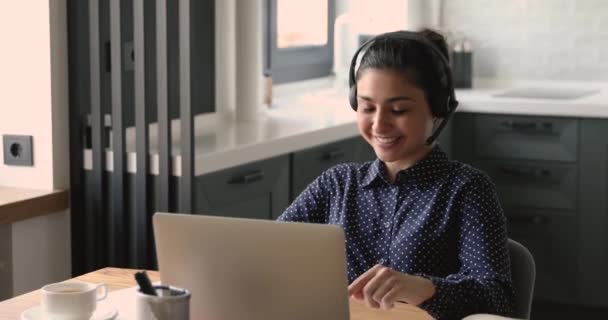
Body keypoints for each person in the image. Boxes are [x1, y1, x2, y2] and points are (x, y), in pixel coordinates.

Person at [277, 29, 514, 319]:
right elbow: (269, 252)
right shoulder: (336, 185)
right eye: (367, 107)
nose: (379, 124)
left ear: (438, 109)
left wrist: (425, 288)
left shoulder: (466, 190)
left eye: (399, 110)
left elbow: (497, 298)